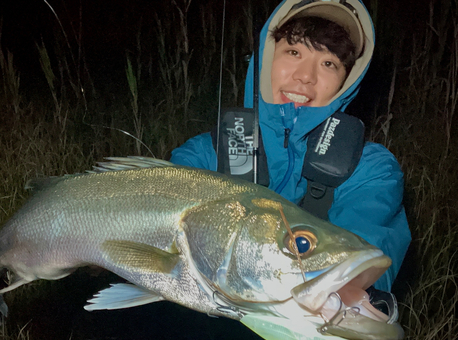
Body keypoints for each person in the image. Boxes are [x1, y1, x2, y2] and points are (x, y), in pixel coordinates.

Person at [170, 0, 410, 292]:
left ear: (347, 81)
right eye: (293, 52)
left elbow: (363, 269)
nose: (306, 76)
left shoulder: (371, 171)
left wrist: (357, 296)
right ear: (266, 57)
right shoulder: (202, 156)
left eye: (329, 63)